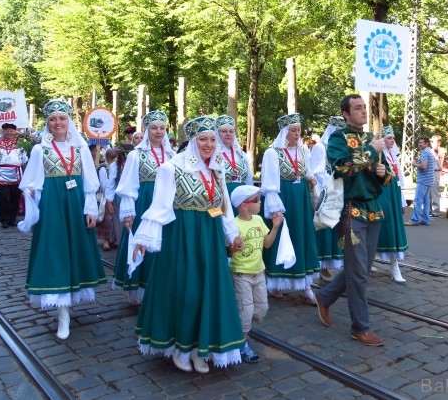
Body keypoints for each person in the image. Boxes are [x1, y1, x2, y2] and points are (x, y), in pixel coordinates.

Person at [131, 116, 245, 373]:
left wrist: (232, 235)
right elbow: (159, 206)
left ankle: (199, 349)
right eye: (203, 139)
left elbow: (223, 206)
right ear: (192, 141)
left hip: (210, 237)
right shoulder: (171, 167)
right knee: (187, 292)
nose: (209, 144)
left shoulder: (218, 168)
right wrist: (143, 238)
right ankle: (181, 347)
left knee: (208, 291)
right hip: (182, 238)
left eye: (212, 139)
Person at [18, 99, 107, 339]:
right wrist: (32, 193)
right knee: (55, 253)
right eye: (53, 119)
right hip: (53, 209)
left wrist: (90, 209)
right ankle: (62, 313)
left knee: (75, 252)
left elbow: (90, 183)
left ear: (69, 122)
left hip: (76, 205)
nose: (58, 123)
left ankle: (69, 301)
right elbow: (30, 182)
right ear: (47, 123)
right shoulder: (40, 150)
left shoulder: (80, 149)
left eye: (62, 118)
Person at [315, 94, 392, 347]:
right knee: (358, 272)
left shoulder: (372, 139)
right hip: (349, 212)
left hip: (374, 211)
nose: (363, 111)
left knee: (360, 268)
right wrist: (372, 152)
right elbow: (341, 167)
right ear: (346, 114)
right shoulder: (337, 138)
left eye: (364, 107)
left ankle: (325, 297)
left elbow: (387, 174)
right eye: (357, 108)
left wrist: (384, 173)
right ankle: (360, 327)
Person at [113, 110, 175, 305]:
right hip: (145, 203)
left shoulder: (173, 155)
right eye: (154, 128)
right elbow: (128, 185)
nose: (158, 132)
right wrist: (129, 212)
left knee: (166, 243)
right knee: (144, 243)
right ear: (147, 130)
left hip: (167, 205)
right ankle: (140, 288)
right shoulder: (136, 155)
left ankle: (161, 286)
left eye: (162, 128)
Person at [261, 113, 320, 304]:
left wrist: (310, 178)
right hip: (284, 197)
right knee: (282, 236)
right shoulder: (272, 153)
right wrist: (275, 207)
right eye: (292, 130)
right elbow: (269, 182)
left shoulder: (303, 150)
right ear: (284, 132)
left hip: (300, 197)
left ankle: (305, 285)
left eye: (298, 130)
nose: (296, 134)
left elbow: (306, 169)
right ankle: (277, 282)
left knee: (302, 236)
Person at [229, 185, 283, 363]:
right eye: (256, 200)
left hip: (259, 273)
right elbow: (230, 250)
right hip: (241, 274)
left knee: (261, 309)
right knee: (246, 312)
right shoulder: (234, 225)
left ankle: (237, 329)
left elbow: (267, 244)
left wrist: (275, 228)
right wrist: (233, 247)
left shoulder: (259, 220)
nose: (260, 203)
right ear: (244, 205)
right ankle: (241, 344)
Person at [309, 116, 346, 281]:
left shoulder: (343, 148)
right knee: (324, 227)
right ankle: (321, 264)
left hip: (339, 190)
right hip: (326, 191)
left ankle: (333, 261)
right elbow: (316, 171)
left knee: (337, 228)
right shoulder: (321, 147)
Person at [378, 126, 408, 282]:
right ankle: (376, 260)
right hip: (383, 194)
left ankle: (394, 264)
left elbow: (399, 181)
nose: (392, 140)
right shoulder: (379, 155)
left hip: (394, 194)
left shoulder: (394, 157)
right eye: (389, 138)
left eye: (393, 138)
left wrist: (403, 201)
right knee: (384, 226)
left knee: (394, 227)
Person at [0, 123, 28, 228]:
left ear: (15, 132)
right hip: (1, 173)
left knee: (16, 197)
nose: (9, 132)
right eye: (6, 130)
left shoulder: (20, 143)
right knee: (4, 197)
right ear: (2, 132)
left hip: (16, 173)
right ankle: (4, 220)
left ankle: (12, 219)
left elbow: (24, 159)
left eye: (11, 131)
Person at [215, 115, 254, 205]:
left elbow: (248, 179)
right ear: (217, 133)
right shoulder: (214, 155)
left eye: (231, 131)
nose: (228, 134)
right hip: (223, 197)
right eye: (224, 131)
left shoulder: (241, 154)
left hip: (242, 197)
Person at [405, 137, 435, 226]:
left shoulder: (425, 152)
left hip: (423, 180)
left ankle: (414, 219)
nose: (419, 144)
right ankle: (426, 219)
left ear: (426, 143)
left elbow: (424, 166)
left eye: (421, 142)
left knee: (418, 200)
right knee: (426, 201)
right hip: (429, 180)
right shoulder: (430, 152)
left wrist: (414, 164)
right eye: (419, 142)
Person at [97, 148, 121, 251]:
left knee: (114, 220)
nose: (114, 160)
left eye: (116, 158)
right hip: (108, 197)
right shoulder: (104, 168)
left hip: (116, 196)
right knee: (106, 220)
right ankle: (106, 241)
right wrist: (109, 197)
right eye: (112, 158)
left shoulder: (118, 167)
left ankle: (113, 239)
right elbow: (104, 184)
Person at [429, 135, 445, 217]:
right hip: (429, 172)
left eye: (433, 141)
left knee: (434, 191)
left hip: (435, 171)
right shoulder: (430, 150)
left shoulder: (440, 150)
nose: (431, 143)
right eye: (431, 141)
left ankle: (436, 211)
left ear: (439, 142)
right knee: (428, 192)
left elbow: (440, 158)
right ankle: (428, 210)